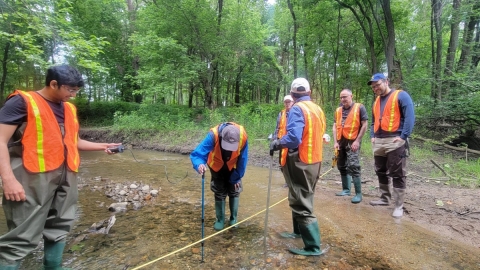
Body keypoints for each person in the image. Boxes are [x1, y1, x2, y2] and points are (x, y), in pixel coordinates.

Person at [0, 65, 122, 269]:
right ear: (53, 83)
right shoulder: (22, 102)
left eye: (77, 91)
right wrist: (9, 180)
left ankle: (53, 267)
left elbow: (73, 141)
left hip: (67, 176)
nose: (73, 95)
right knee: (21, 235)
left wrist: (103, 146)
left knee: (60, 226)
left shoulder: (68, 109)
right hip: (31, 178)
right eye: (70, 90)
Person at [270, 78, 327, 256]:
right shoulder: (317, 109)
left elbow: (294, 138)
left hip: (300, 161)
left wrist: (277, 143)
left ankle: (313, 247)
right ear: (309, 93)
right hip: (315, 160)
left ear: (293, 94)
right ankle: (297, 232)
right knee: (298, 195)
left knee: (301, 201)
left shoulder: (296, 109)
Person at [367, 73, 415, 218]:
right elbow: (373, 121)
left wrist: (403, 137)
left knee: (398, 172)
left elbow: (410, 117)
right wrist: (372, 135)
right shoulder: (376, 101)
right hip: (379, 141)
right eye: (374, 87)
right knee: (380, 170)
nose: (376, 88)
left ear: (386, 82)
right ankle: (384, 198)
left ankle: (398, 205)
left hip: (395, 140)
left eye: (378, 85)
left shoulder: (401, 96)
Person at [190, 122, 248, 231]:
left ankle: (233, 219)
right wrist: (199, 164)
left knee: (234, 188)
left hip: (234, 166)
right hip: (216, 165)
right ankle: (220, 219)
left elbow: (243, 160)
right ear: (221, 137)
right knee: (219, 190)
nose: (230, 149)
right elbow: (198, 154)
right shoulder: (213, 135)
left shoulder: (242, 136)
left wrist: (236, 178)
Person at [332, 89, 368, 203]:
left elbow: (364, 125)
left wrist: (357, 141)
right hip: (340, 141)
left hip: (353, 141)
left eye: (345, 97)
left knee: (353, 165)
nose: (343, 99)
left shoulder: (359, 107)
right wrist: (335, 142)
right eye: (341, 97)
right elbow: (334, 126)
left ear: (351, 96)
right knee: (341, 165)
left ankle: (358, 194)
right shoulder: (338, 110)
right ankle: (346, 190)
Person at [272, 95, 293, 187]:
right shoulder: (281, 113)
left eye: (289, 102)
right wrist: (274, 139)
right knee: (282, 163)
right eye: (286, 102)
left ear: (293, 102)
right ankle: (287, 181)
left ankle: (292, 181)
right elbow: (277, 127)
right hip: (282, 142)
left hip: (292, 142)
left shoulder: (296, 112)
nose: (287, 103)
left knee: (291, 163)